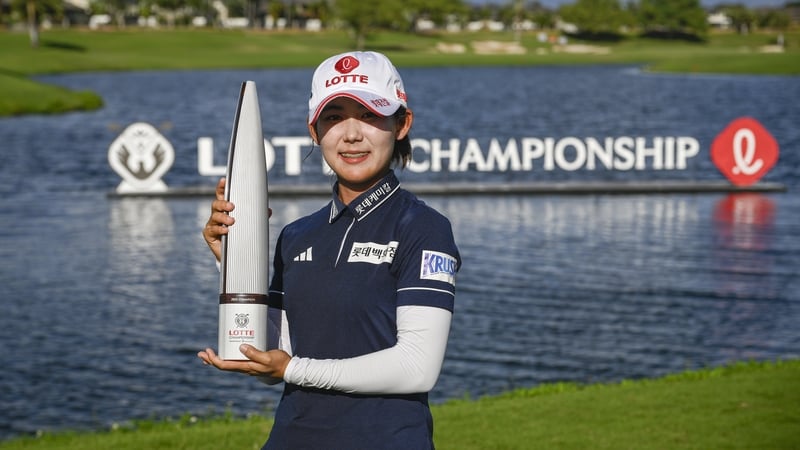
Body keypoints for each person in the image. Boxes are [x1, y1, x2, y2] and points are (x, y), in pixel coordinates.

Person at [198, 51, 461, 449]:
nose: (351, 135)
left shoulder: (423, 228)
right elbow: (275, 356)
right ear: (314, 131)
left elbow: (416, 367)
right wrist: (233, 263)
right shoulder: (297, 235)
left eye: (369, 115)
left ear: (402, 123)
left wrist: (293, 370)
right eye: (334, 117)